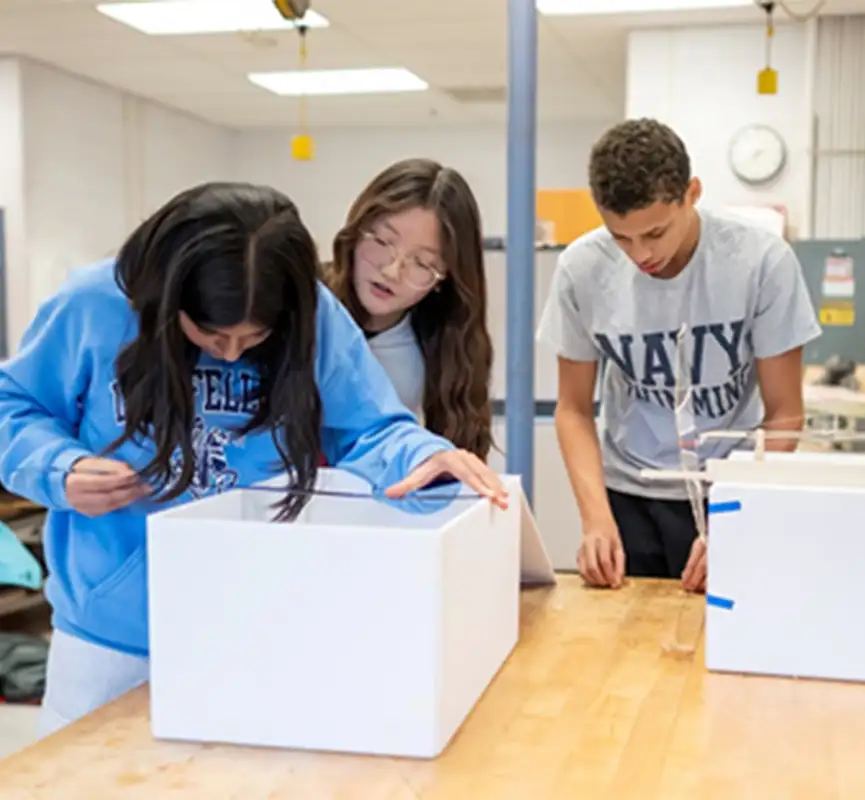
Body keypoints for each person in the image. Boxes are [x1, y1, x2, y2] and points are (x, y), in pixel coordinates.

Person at [0, 182, 509, 737]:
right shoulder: (95, 304)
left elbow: (370, 427)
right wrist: (60, 468)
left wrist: (427, 455)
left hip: (255, 619)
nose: (232, 352)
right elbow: (14, 405)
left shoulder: (315, 314)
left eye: (255, 336)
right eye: (213, 334)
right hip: (109, 636)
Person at [536, 118, 821, 594]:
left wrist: (738, 511)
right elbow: (574, 409)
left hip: (730, 486)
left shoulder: (761, 261)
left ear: (692, 193)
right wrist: (595, 519)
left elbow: (786, 412)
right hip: (629, 492)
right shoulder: (582, 269)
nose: (639, 254)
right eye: (621, 237)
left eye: (655, 233)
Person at [324, 158, 493, 459]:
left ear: (445, 277)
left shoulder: (444, 347)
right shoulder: (307, 304)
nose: (391, 271)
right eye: (382, 241)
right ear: (356, 229)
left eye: (422, 263)